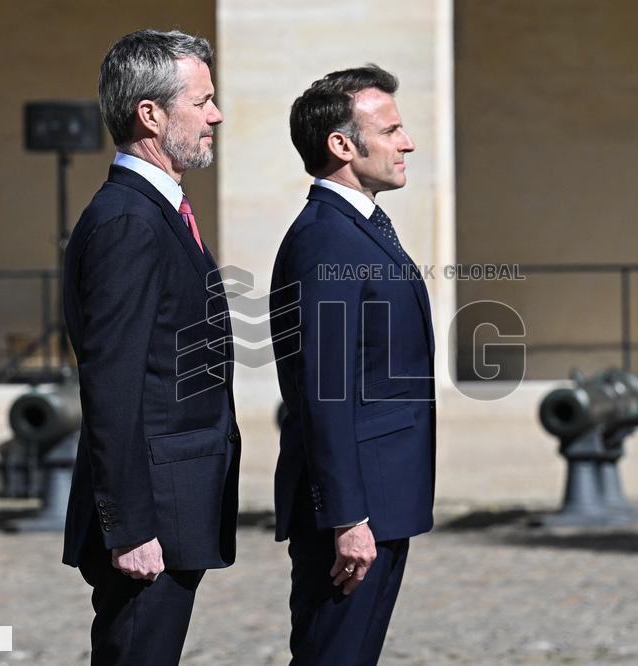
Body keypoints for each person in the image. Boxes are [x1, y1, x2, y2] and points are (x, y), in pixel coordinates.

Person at [61, 29, 240, 666]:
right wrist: (130, 525)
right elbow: (112, 385)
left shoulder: (157, 212)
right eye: (203, 100)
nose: (216, 114)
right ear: (151, 114)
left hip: (174, 504)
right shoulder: (128, 222)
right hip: (151, 519)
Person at [269, 65, 436, 665]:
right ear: (342, 145)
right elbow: (325, 390)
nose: (407, 142)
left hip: (380, 497)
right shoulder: (326, 239)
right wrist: (347, 517)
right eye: (390, 130)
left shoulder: (360, 228)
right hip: (352, 511)